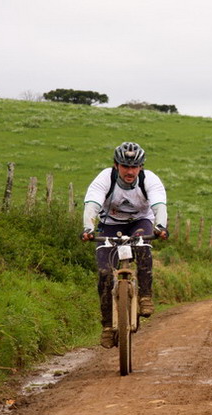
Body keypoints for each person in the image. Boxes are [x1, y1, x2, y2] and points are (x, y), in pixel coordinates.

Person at [81, 142, 169, 349]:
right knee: (104, 272)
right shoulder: (105, 178)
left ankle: (145, 296)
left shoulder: (150, 180)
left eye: (134, 167)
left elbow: (159, 206)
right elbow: (92, 204)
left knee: (143, 247)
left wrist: (161, 226)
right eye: (125, 166)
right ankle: (106, 326)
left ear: (141, 167)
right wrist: (87, 228)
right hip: (108, 225)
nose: (130, 172)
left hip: (140, 222)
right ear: (116, 165)